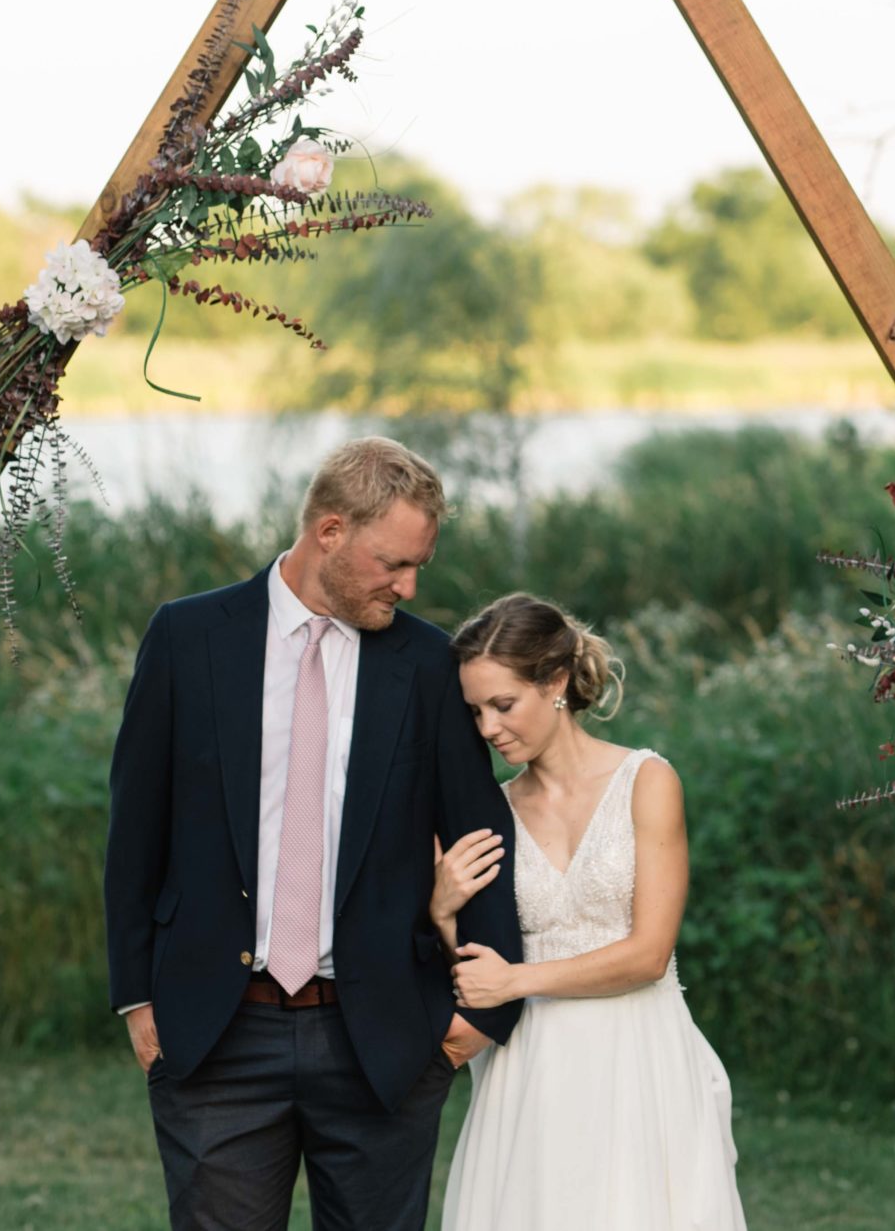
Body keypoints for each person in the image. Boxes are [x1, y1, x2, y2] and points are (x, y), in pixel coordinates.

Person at [103, 437, 525, 1231]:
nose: (407, 585)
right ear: (330, 531)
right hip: (215, 1034)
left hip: (385, 1038)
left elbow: (482, 831)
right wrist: (136, 997)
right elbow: (136, 829)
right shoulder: (187, 637)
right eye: (393, 563)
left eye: (418, 568)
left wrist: (479, 1016)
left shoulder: (430, 664)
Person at [430, 593, 747, 1230]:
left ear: (553, 684)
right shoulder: (491, 810)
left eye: (502, 705)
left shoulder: (647, 781)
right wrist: (440, 913)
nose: (488, 729)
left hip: (636, 1053)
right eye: (475, 711)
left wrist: (519, 980)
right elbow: (474, 967)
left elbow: (649, 954)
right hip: (531, 1066)